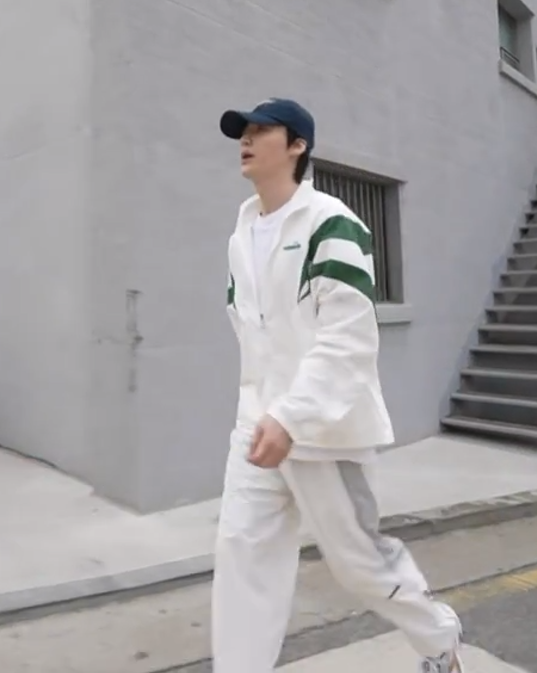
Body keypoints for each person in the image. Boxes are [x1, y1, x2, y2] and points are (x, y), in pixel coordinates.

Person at [212, 97, 465, 673]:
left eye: (260, 130)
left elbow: (349, 339)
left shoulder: (332, 223)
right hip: (256, 428)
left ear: (297, 145)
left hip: (324, 432)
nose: (245, 140)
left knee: (359, 564)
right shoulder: (241, 233)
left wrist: (292, 415)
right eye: (242, 132)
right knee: (242, 553)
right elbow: (248, 329)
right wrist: (262, 412)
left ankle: (439, 639)